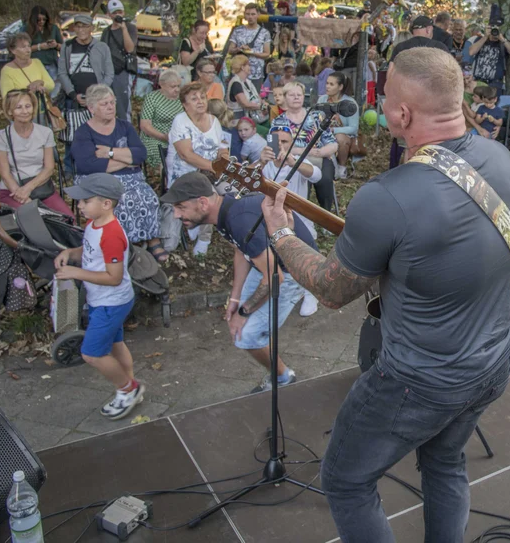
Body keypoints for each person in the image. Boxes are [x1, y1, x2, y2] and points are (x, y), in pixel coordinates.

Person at [258, 45, 510, 541]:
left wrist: (280, 233)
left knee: (345, 479)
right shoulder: (500, 155)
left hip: (417, 381)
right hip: (494, 361)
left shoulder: (387, 195)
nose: (383, 106)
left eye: (385, 98)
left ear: (402, 114)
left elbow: (330, 289)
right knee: (446, 461)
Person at [162, 173, 318, 392]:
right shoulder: (224, 209)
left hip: (292, 272)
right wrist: (234, 299)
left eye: (180, 207)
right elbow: (241, 249)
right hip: (267, 264)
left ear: (203, 202)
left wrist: (243, 313)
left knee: (247, 336)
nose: (176, 214)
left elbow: (275, 278)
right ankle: (275, 364)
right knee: (245, 328)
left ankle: (284, 378)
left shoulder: (239, 218)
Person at [54, 173, 145, 420]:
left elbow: (114, 277)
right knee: (115, 345)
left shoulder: (113, 234)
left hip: (111, 302)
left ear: (106, 204)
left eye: (85, 201)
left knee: (92, 354)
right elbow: (92, 250)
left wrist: (76, 272)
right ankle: (130, 384)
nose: (79, 205)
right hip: (103, 300)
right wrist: (72, 253)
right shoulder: (94, 225)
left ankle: (128, 389)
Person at [70, 85, 164, 258]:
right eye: (104, 104)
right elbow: (89, 165)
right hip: (97, 180)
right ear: (91, 108)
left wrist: (110, 153)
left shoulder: (125, 126)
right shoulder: (83, 133)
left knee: (147, 196)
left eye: (112, 102)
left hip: (131, 177)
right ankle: (122, 243)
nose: (111, 107)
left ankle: (151, 239)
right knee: (122, 200)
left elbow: (141, 154)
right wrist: (127, 160)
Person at [165, 83, 227, 256]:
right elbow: (186, 155)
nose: (200, 101)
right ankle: (203, 235)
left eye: (202, 97)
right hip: (185, 175)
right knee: (209, 195)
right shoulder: (180, 121)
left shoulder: (214, 121)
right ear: (185, 104)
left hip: (210, 172)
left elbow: (222, 146)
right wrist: (214, 168)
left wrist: (223, 161)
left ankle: (226, 227)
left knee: (236, 190)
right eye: (194, 98)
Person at [0, 90, 71, 218]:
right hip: (12, 191)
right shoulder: (1, 137)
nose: (24, 111)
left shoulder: (45, 133)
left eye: (28, 106)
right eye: (18, 107)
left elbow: (49, 168)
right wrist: (20, 194)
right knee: (32, 221)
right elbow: (5, 174)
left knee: (68, 220)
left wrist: (27, 189)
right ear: (10, 111)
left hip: (41, 188)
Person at [272, 81, 338, 213]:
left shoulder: (316, 116)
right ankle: (300, 214)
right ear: (285, 97)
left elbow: (332, 142)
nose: (296, 97)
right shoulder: (278, 121)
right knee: (298, 179)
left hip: (320, 158)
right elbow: (273, 148)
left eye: (299, 94)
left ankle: (326, 213)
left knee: (325, 180)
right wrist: (304, 151)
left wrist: (321, 152)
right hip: (292, 160)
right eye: (292, 95)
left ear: (303, 97)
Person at [57, 14, 114, 164]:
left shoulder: (101, 47)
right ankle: (71, 167)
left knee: (98, 133)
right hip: (73, 98)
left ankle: (96, 162)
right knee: (73, 135)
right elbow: (62, 72)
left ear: (91, 28)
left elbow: (109, 73)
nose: (81, 30)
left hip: (96, 100)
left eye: (85, 26)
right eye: (78, 26)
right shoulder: (67, 46)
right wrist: (72, 93)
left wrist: (98, 94)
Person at [138, 70, 183, 171]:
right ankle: (167, 180)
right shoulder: (152, 98)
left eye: (178, 86)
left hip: (177, 138)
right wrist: (163, 137)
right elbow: (145, 126)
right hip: (155, 138)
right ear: (162, 85)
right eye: (173, 86)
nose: (177, 90)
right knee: (165, 158)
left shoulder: (181, 99)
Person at [317, 71, 359, 179]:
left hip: (342, 135)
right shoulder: (322, 99)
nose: (327, 86)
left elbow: (353, 128)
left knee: (340, 138)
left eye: (331, 84)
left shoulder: (350, 103)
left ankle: (341, 168)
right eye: (327, 83)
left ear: (340, 87)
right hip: (323, 132)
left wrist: (333, 131)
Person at [101, 0, 137, 121]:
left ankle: (126, 133)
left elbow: (130, 49)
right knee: (106, 104)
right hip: (107, 72)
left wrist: (123, 29)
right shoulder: (106, 31)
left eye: (120, 12)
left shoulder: (130, 28)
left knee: (123, 106)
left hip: (122, 72)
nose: (118, 15)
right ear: (109, 15)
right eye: (115, 12)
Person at [0, 33, 56, 110]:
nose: (28, 50)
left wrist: (40, 82)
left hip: (44, 110)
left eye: (29, 46)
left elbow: (51, 85)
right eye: (23, 47)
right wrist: (29, 91)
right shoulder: (7, 70)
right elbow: (8, 98)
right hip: (24, 114)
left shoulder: (37, 62)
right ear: (13, 50)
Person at [226, 2, 273, 88]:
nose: (250, 17)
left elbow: (267, 54)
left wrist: (252, 52)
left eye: (253, 14)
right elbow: (230, 50)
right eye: (248, 14)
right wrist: (239, 49)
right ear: (244, 15)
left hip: (256, 74)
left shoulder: (264, 33)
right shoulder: (238, 30)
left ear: (258, 15)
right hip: (238, 72)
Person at [467, 25, 510, 97]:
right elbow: (471, 52)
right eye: (493, 29)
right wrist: (485, 37)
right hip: (478, 82)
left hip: (495, 84)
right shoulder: (480, 39)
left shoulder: (503, 43)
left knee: (490, 106)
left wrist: (502, 39)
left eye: (498, 30)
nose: (495, 32)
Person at [23, 5, 63, 81]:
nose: (42, 22)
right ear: (33, 19)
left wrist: (56, 45)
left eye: (44, 19)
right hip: (33, 65)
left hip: (51, 64)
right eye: (38, 20)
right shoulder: (26, 29)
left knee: (53, 88)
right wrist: (39, 46)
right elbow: (22, 48)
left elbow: (63, 47)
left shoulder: (53, 28)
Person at [226, 55, 266, 120]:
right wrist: (261, 106)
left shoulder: (248, 82)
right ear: (242, 67)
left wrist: (264, 104)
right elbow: (245, 104)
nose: (250, 67)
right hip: (238, 120)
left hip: (252, 117)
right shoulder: (236, 83)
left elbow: (258, 97)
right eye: (248, 65)